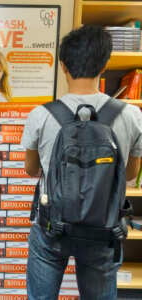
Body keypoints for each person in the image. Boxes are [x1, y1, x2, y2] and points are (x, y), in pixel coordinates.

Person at [21, 25, 142, 299]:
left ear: (63, 66)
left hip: (53, 228)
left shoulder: (40, 115)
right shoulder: (132, 115)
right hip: (104, 227)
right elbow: (130, 174)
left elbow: (31, 169)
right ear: (104, 64)